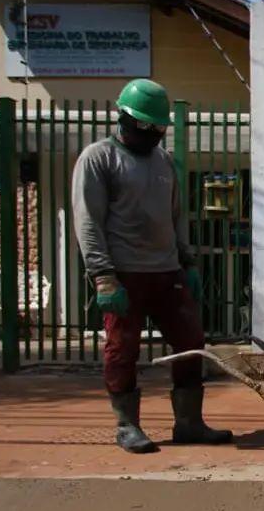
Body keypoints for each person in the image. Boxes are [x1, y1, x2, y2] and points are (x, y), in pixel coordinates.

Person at [72, 78, 232, 454]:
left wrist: (187, 260)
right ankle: (127, 424)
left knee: (191, 342)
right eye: (146, 126)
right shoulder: (98, 159)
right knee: (122, 348)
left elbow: (175, 215)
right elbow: (88, 221)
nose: (153, 134)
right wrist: (103, 277)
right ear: (124, 118)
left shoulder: (163, 161)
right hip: (124, 273)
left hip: (167, 272)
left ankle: (189, 422)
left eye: (159, 128)